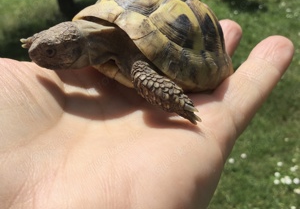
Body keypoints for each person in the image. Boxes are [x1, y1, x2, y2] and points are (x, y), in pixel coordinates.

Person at [0, 20, 294, 209]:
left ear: (77, 46)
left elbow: (140, 68)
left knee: (142, 74)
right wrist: (42, 42)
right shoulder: (85, 38)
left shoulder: (133, 60)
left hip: (163, 41)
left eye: (50, 52)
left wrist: (175, 100)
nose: (38, 55)